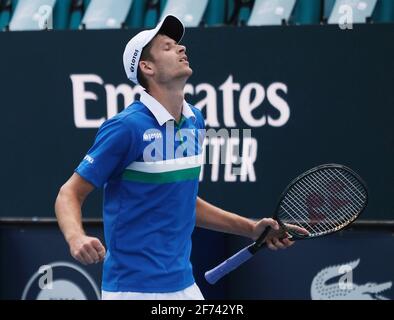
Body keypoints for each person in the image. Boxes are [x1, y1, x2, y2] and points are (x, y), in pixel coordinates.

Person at [55, 15, 301, 300]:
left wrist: (251, 228)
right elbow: (68, 193)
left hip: (184, 284)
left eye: (179, 45)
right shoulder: (126, 127)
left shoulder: (194, 119)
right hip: (133, 290)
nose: (181, 49)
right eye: (168, 47)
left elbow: (183, 200)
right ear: (147, 67)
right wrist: (77, 238)